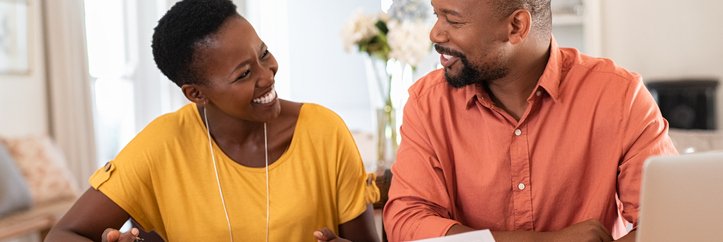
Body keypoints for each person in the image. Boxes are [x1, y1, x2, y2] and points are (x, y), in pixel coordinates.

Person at [45, 0, 380, 241]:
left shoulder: (324, 131)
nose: (267, 76)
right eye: (244, 74)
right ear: (196, 94)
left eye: (263, 54)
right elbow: (63, 233)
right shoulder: (162, 144)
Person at [383, 0, 678, 241]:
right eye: (437, 15)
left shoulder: (620, 96)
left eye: (453, 21)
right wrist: (550, 241)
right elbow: (407, 222)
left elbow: (671, 224)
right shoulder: (428, 103)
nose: (436, 34)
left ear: (516, 26)